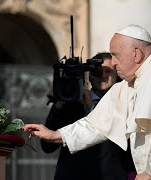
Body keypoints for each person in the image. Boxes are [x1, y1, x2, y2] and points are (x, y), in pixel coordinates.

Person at [23, 24, 151, 180]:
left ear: (136, 54)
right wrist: (57, 135)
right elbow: (97, 124)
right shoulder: (128, 85)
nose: (113, 63)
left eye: (116, 55)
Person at [41, 52, 136, 180]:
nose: (102, 75)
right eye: (97, 71)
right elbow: (47, 146)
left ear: (116, 75)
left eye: (108, 71)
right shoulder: (71, 104)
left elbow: (129, 151)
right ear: (89, 76)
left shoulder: (124, 105)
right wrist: (59, 104)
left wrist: (92, 109)